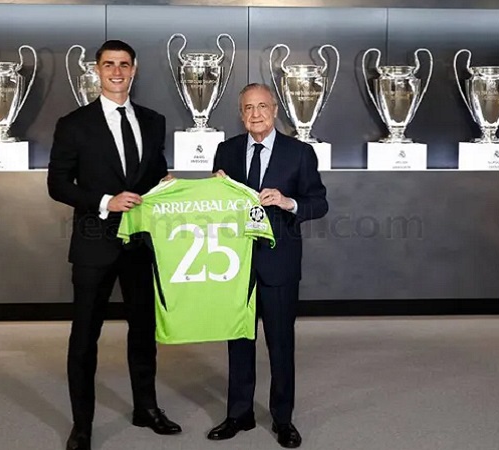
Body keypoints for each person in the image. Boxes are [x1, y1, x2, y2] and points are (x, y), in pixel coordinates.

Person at [47, 40, 181, 450]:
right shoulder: (73, 124)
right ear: (98, 70)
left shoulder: (154, 121)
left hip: (140, 243)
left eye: (124, 64)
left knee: (143, 331)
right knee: (85, 336)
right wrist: (105, 201)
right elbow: (57, 184)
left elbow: (155, 172)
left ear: (134, 69)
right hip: (94, 243)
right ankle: (82, 426)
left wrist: (167, 185)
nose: (117, 71)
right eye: (109, 65)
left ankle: (146, 408)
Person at [208, 83, 328, 448]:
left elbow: (319, 203)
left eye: (262, 106)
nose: (255, 114)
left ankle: (282, 419)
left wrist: (288, 201)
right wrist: (212, 190)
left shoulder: (299, 153)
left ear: (275, 110)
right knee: (239, 343)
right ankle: (238, 414)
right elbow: (217, 207)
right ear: (241, 114)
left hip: (280, 266)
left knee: (280, 344)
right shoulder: (225, 151)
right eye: (248, 108)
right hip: (236, 264)